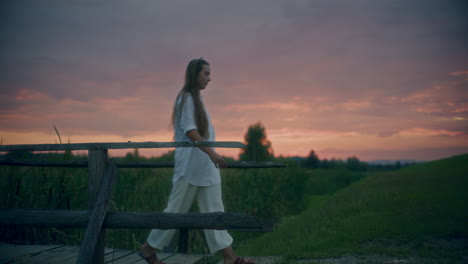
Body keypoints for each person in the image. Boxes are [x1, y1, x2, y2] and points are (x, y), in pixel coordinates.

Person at [138, 58, 254, 264]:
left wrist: (210, 157)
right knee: (175, 211)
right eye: (206, 74)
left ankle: (230, 257)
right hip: (190, 169)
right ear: (195, 74)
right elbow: (190, 131)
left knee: (215, 212)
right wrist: (212, 153)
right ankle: (148, 248)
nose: (210, 78)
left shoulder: (197, 100)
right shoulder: (185, 99)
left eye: (209, 74)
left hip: (206, 170)